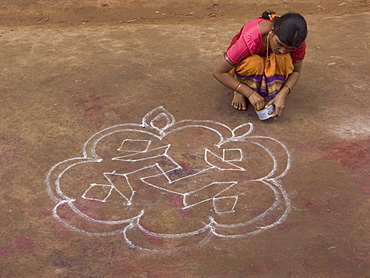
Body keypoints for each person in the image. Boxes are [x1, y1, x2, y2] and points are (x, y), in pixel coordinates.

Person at [213, 11, 308, 117]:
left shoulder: (296, 43)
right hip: (243, 66)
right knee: (254, 63)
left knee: (284, 59)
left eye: (289, 48)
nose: (282, 50)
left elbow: (296, 71)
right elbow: (219, 72)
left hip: (266, 62)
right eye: (279, 44)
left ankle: (269, 92)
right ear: (272, 31)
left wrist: (283, 94)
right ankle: (240, 90)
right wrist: (248, 93)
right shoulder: (251, 38)